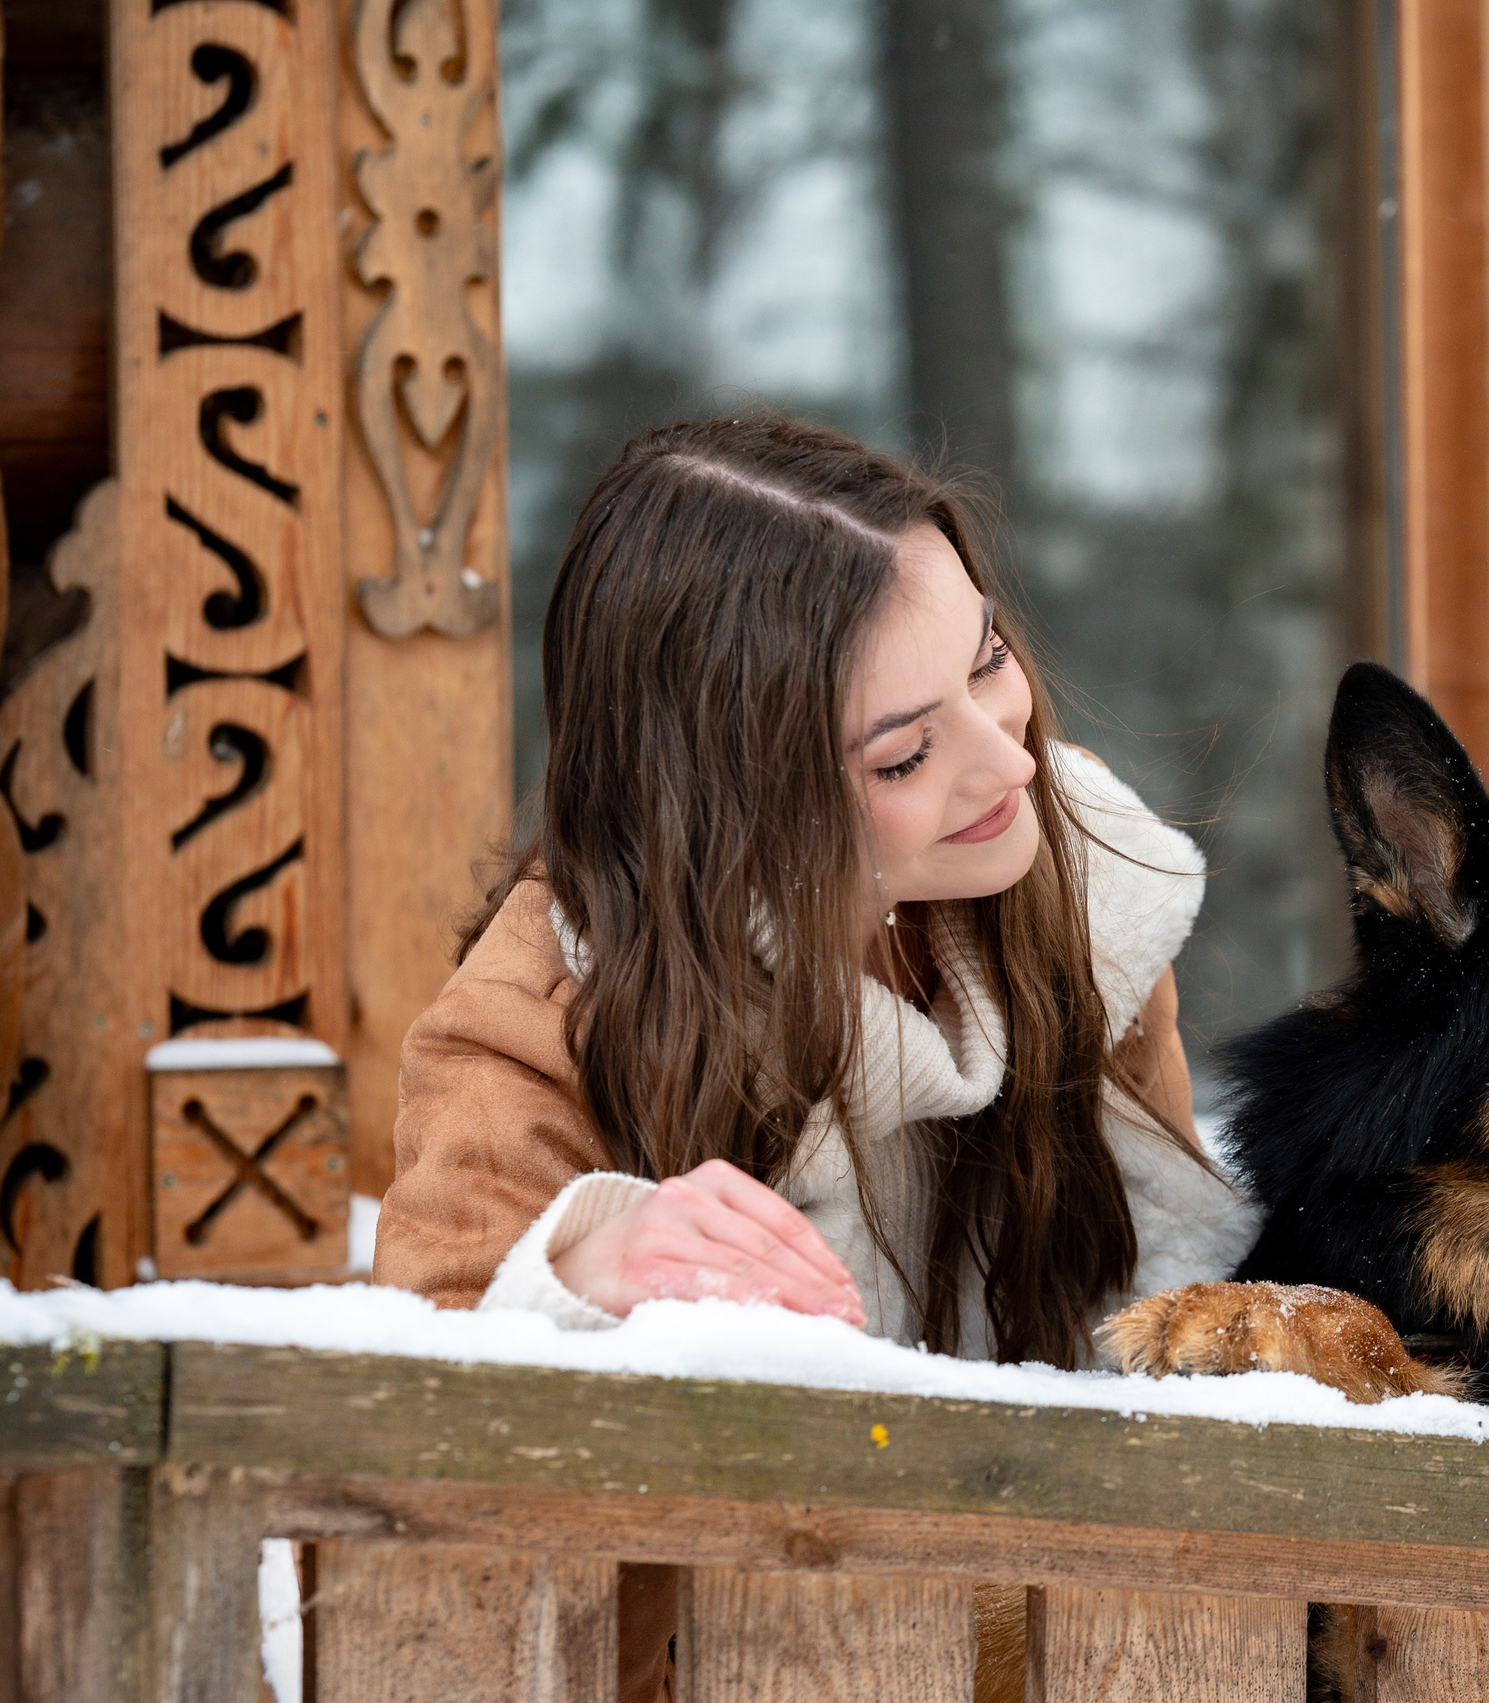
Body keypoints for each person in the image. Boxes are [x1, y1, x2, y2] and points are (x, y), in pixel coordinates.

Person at [374, 413, 1258, 1373]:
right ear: (734, 808)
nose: (1010, 759)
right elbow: (390, 1454)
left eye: (988, 659)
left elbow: (1173, 1317)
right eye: (905, 754)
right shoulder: (546, 1021)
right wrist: (577, 1279)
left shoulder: (1083, 885)